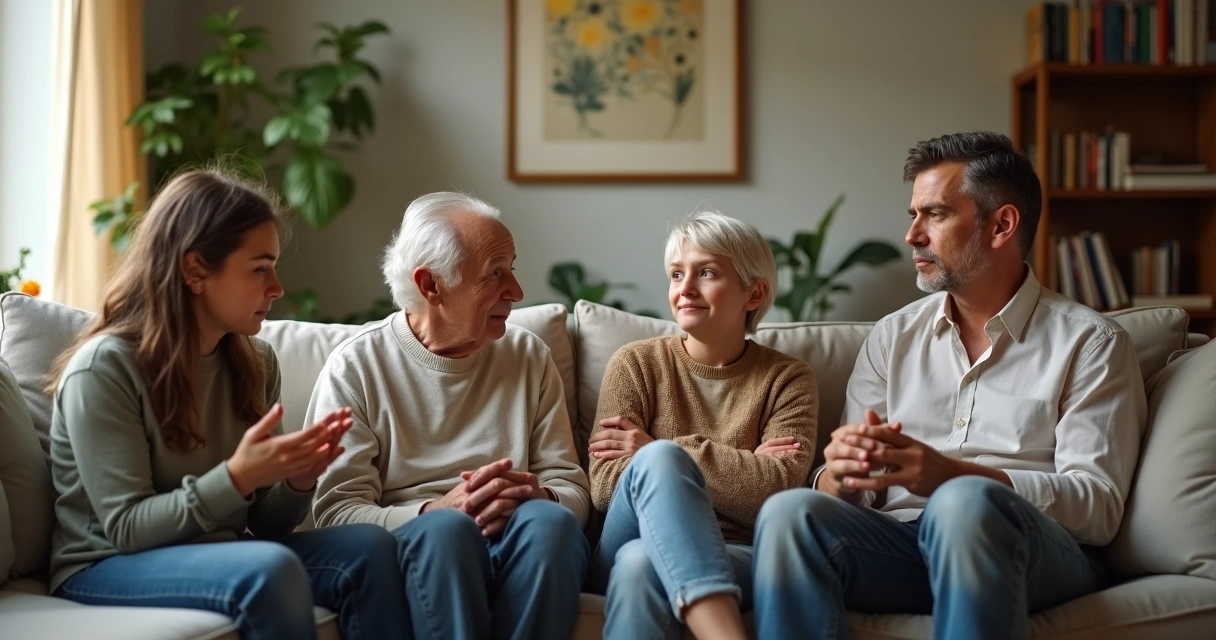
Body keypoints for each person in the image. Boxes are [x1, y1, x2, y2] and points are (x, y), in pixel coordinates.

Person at [751, 131, 1147, 640]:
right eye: (913, 215)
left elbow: (1098, 506)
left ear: (1002, 225)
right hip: (903, 547)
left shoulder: (1091, 344)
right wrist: (841, 478)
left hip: (1033, 549)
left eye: (935, 214)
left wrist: (952, 476)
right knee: (790, 513)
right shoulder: (892, 336)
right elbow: (843, 487)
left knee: (963, 502)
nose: (912, 235)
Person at [46, 169, 410, 640]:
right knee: (268, 568)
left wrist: (299, 479)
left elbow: (264, 522)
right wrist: (236, 475)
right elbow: (126, 528)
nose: (277, 287)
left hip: (218, 551)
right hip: (104, 564)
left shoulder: (254, 361)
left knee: (370, 547)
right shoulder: (105, 369)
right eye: (260, 268)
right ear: (195, 271)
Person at [308, 192, 591, 640]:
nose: (516, 291)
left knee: (550, 523)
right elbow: (337, 512)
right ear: (431, 285)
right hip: (424, 544)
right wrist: (433, 510)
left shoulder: (527, 356)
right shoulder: (357, 367)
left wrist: (542, 496)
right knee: (446, 531)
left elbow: (571, 486)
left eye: (511, 268)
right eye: (494, 274)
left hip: (519, 538)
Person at [589, 211, 818, 640]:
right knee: (658, 463)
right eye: (677, 274)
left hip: (740, 553)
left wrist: (658, 448)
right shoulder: (635, 364)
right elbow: (604, 485)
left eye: (706, 272)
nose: (685, 289)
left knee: (640, 564)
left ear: (754, 293)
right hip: (626, 534)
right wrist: (735, 467)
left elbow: (778, 490)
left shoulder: (788, 379)